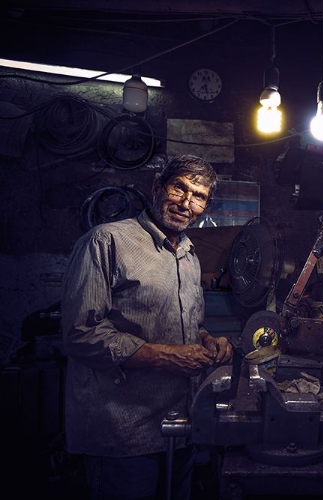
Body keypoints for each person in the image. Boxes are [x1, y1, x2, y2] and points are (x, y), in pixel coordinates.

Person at [61, 154, 233, 500]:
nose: (186, 203)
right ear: (157, 188)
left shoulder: (188, 254)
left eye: (198, 196)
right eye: (179, 188)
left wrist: (206, 340)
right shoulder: (106, 241)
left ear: (206, 206)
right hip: (123, 431)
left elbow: (180, 323)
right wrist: (164, 357)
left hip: (179, 427)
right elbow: (80, 333)